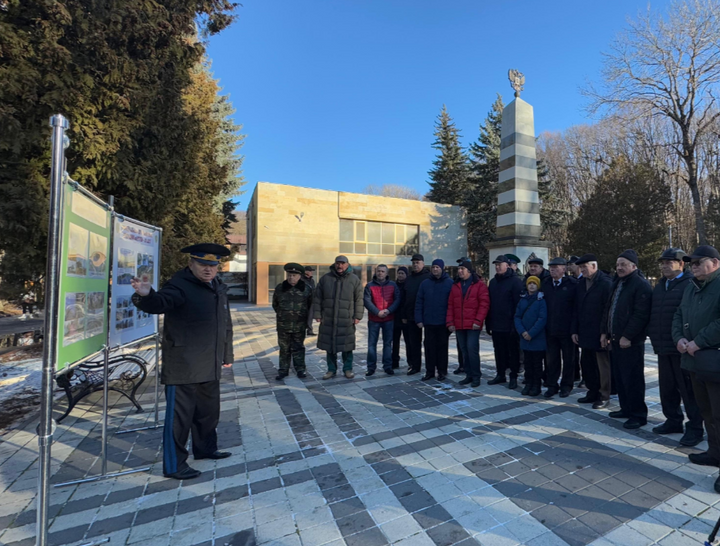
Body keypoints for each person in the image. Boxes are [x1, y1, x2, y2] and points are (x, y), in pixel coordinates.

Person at [131, 243, 234, 480]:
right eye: (202, 264)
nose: (208, 270)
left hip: (210, 361)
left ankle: (205, 449)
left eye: (212, 265)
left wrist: (226, 354)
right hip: (184, 364)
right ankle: (175, 465)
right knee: (179, 419)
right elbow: (161, 303)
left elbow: (224, 323)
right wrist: (146, 295)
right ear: (191, 264)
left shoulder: (217, 287)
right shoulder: (179, 285)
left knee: (208, 412)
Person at [673, 245, 720, 494]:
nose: (692, 266)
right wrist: (679, 338)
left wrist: (698, 341)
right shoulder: (692, 287)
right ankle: (714, 453)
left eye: (697, 262)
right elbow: (678, 315)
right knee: (707, 412)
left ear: (714, 262)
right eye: (690, 263)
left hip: (714, 361)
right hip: (694, 361)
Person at [648, 248, 703, 446]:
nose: (664, 265)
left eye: (669, 262)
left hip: (682, 348)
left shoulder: (690, 283)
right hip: (663, 347)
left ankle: (695, 428)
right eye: (662, 262)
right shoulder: (661, 285)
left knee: (689, 391)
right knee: (667, 388)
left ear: (681, 264)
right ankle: (673, 420)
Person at [601, 249, 652, 429]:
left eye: (623, 264)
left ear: (634, 266)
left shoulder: (640, 284)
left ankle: (638, 414)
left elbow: (640, 315)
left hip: (631, 341)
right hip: (614, 339)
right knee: (620, 377)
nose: (619, 268)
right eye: (617, 265)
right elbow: (609, 309)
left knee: (633, 379)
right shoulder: (617, 282)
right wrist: (604, 332)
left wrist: (627, 336)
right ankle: (625, 408)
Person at [572, 254, 613, 409]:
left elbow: (607, 310)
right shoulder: (581, 283)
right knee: (587, 364)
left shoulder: (605, 283)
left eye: (585, 267)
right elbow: (576, 308)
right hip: (584, 331)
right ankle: (592, 391)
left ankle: (604, 395)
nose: (582, 270)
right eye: (581, 267)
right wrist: (574, 330)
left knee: (602, 366)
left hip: (599, 332)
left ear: (594, 266)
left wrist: (605, 332)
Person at [314, 255, 364, 379]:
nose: (340, 266)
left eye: (342, 263)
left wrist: (358, 315)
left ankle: (348, 369)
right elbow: (317, 298)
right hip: (328, 319)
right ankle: (331, 370)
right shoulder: (326, 279)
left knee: (347, 346)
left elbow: (359, 299)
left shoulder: (354, 279)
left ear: (347, 264)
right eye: (338, 263)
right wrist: (317, 314)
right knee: (329, 346)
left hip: (346, 319)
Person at [447, 260, 490, 388]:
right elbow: (450, 305)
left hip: (472, 325)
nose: (460, 271)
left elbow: (484, 304)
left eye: (462, 269)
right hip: (459, 324)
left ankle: (476, 376)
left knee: (472, 350)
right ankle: (468, 374)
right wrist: (450, 322)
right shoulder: (455, 285)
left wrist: (478, 321)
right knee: (464, 351)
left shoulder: (479, 285)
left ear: (469, 271)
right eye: (459, 269)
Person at [542, 257, 577, 398]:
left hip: (567, 330)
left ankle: (567, 385)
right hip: (550, 329)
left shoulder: (573, 284)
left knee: (569, 360)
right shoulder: (545, 284)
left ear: (564, 269)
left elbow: (576, 309)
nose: (552, 269)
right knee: (551, 360)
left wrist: (574, 329)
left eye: (556, 267)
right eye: (551, 267)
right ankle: (552, 385)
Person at [486, 255, 524, 388]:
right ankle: (500, 374)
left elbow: (518, 305)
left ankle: (513, 376)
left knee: (513, 352)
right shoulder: (493, 282)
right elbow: (489, 304)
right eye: (495, 264)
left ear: (507, 266)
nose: (497, 267)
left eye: (499, 264)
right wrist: (488, 323)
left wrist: (516, 325)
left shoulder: (515, 281)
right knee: (499, 351)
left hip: (510, 325)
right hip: (497, 324)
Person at [272, 263, 313, 381]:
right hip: (283, 325)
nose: (291, 278)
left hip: (299, 325)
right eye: (289, 275)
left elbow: (310, 305)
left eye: (294, 275)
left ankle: (300, 369)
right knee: (284, 348)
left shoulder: (306, 289)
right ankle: (283, 370)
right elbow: (275, 305)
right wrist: (283, 315)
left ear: (300, 276)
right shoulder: (280, 288)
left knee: (298, 347)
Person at [415, 259, 453, 380]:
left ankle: (442, 371)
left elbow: (453, 303)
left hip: (443, 322)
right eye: (433, 267)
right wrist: (419, 319)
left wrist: (451, 321)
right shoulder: (425, 283)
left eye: (437, 267)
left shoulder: (449, 283)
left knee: (442, 348)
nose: (435, 269)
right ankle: (429, 371)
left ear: (442, 268)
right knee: (429, 348)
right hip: (429, 322)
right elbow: (419, 302)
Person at [364, 264, 400, 376]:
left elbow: (397, 300)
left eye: (383, 271)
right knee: (371, 344)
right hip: (374, 319)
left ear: (387, 273)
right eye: (378, 271)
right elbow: (366, 301)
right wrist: (377, 312)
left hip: (389, 319)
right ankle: (371, 367)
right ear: (375, 272)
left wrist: (388, 310)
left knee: (388, 344)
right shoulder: (369, 286)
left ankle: (388, 366)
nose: (380, 273)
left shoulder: (393, 285)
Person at [515, 276, 547, 397]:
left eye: (534, 283)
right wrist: (522, 332)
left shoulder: (541, 300)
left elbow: (542, 318)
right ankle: (528, 383)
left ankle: (536, 385)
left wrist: (531, 333)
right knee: (527, 363)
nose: (532, 285)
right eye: (530, 283)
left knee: (537, 364)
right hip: (525, 338)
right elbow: (517, 316)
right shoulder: (522, 300)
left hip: (537, 338)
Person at [403, 254, 432, 375]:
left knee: (430, 343)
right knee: (413, 343)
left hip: (427, 316)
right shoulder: (409, 279)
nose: (415, 264)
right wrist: (404, 315)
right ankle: (415, 365)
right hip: (411, 316)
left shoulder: (428, 278)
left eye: (418, 262)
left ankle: (432, 367)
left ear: (423, 263)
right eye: (413, 262)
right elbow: (405, 298)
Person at [392, 266, 409, 370]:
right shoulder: (393, 285)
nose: (400, 275)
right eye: (399, 273)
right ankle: (394, 361)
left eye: (402, 273)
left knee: (408, 341)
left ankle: (410, 362)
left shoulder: (408, 286)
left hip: (405, 318)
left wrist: (405, 315)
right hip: (395, 317)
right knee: (395, 341)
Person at [303, 266, 317, 336]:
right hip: (303, 301)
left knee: (310, 316)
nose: (311, 273)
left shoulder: (312, 281)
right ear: (306, 272)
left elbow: (313, 289)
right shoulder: (301, 280)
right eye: (310, 271)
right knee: (303, 316)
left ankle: (309, 330)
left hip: (311, 300)